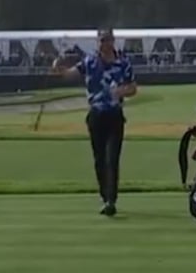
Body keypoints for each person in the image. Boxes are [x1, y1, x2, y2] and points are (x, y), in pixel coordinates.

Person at [51, 28, 137, 217]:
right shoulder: (90, 61)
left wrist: (121, 92)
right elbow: (71, 74)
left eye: (105, 40)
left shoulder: (123, 63)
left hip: (114, 115)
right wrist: (59, 70)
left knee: (111, 158)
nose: (102, 44)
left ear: (112, 41)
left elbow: (133, 88)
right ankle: (104, 195)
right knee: (99, 160)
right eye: (100, 40)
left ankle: (111, 200)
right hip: (96, 115)